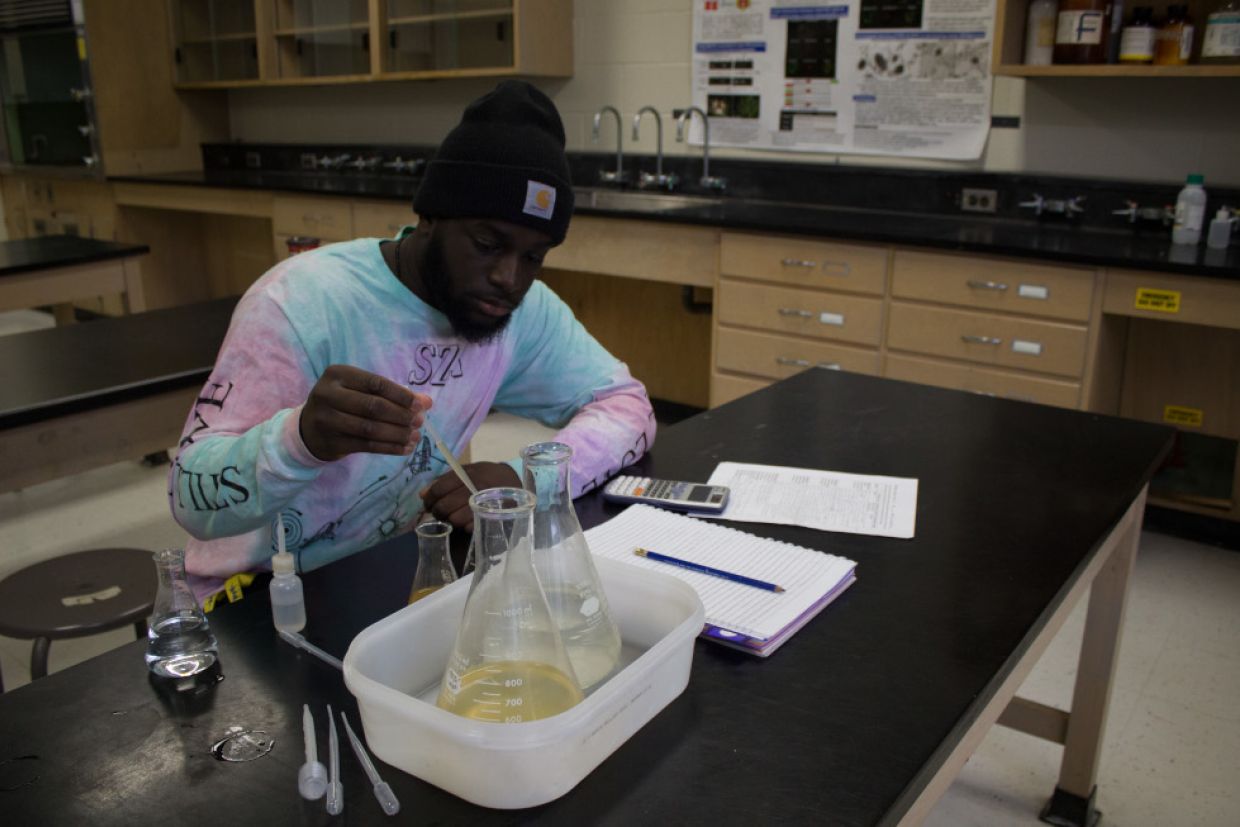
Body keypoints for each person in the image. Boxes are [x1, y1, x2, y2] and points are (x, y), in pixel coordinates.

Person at [168, 81, 655, 593]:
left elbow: (626, 405)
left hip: (397, 575)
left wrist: (526, 480)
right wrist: (299, 440)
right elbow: (188, 500)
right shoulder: (302, 303)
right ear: (429, 216)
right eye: (488, 244)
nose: (509, 278)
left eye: (533, 256)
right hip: (255, 597)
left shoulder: (521, 313)